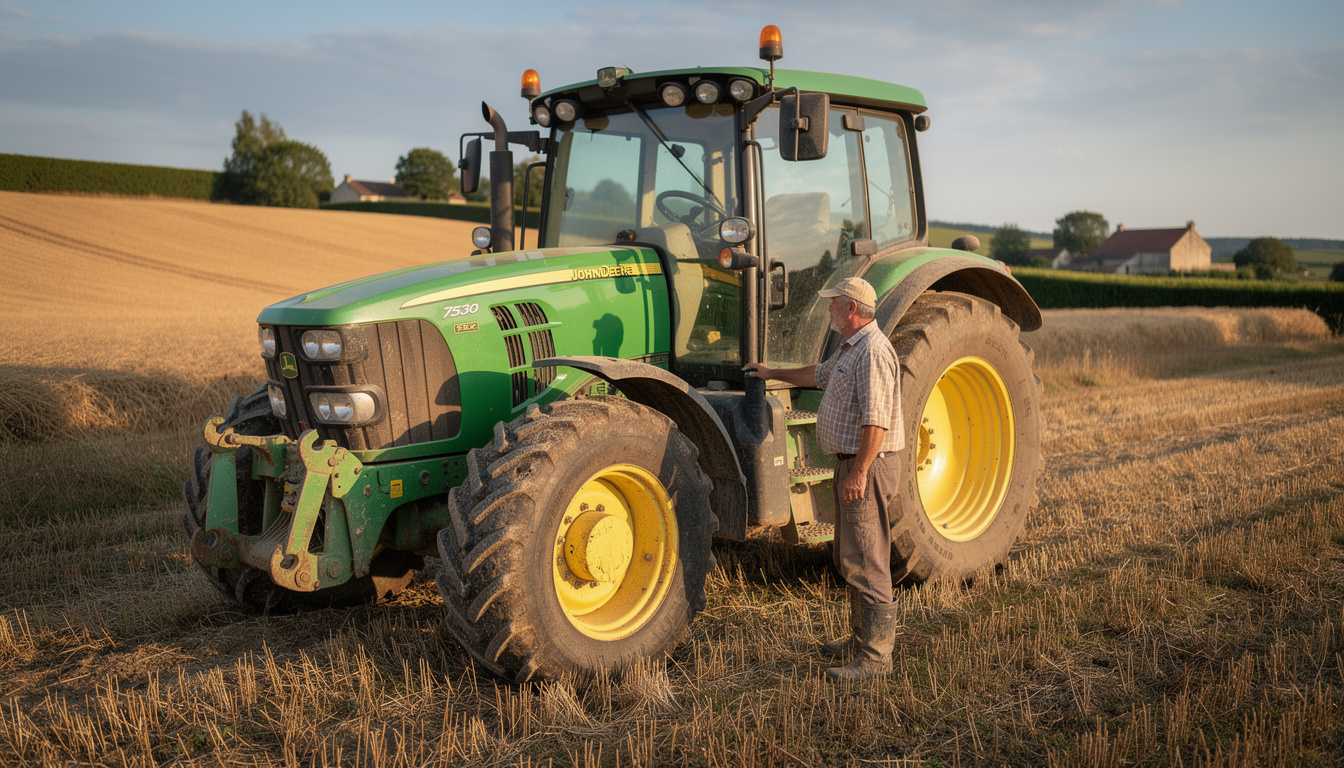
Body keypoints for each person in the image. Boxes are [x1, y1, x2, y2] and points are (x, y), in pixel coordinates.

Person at [744, 277, 902, 682]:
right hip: (850, 464)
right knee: (851, 555)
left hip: (864, 465)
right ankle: (860, 638)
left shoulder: (872, 352)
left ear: (851, 308)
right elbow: (816, 375)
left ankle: (877, 658)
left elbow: (876, 422)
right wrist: (770, 372)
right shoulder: (851, 349)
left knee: (868, 558)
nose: (829, 309)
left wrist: (861, 471)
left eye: (833, 304)